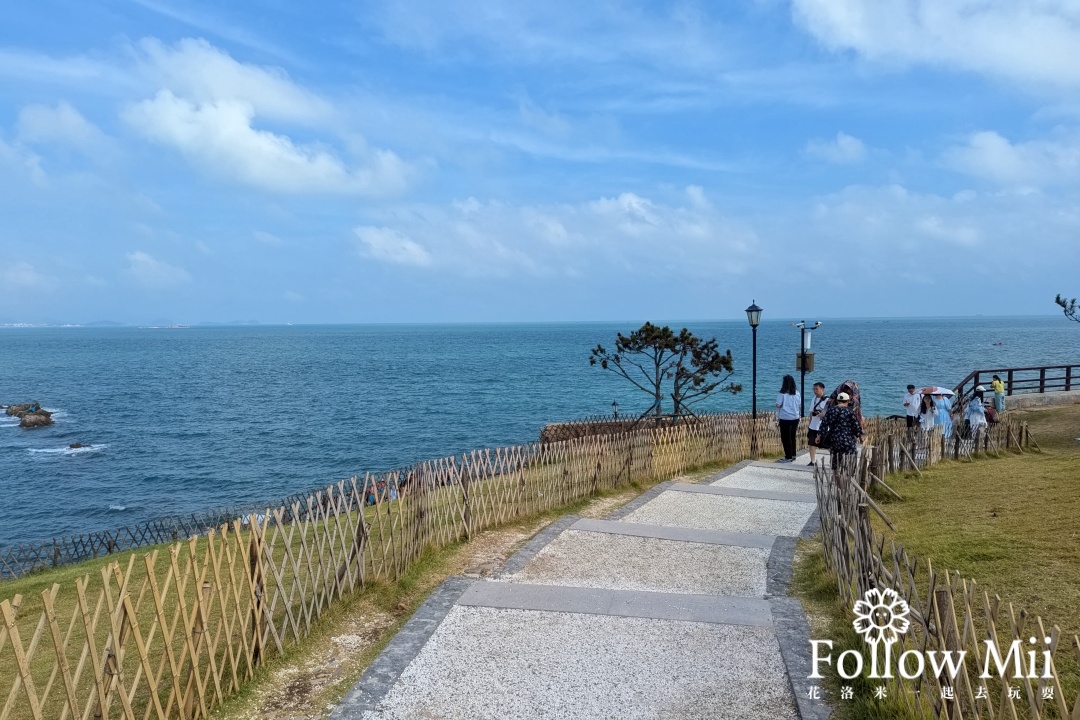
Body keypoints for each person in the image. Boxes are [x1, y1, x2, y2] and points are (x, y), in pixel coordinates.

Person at [821, 392, 862, 471]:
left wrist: (819, 436)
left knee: (835, 462)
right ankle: (848, 476)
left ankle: (837, 480)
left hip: (834, 440)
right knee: (851, 457)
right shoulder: (850, 412)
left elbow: (824, 424)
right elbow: (856, 426)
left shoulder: (831, 410)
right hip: (847, 439)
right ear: (847, 401)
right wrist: (860, 436)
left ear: (837, 401)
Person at [775, 374, 801, 463]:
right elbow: (799, 404)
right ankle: (793, 454)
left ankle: (788, 456)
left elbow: (778, 405)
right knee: (792, 437)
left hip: (785, 418)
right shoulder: (797, 392)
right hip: (795, 417)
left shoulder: (782, 393)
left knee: (786, 438)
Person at [807, 382, 829, 465]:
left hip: (823, 427)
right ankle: (813, 461)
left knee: (827, 444)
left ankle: (834, 460)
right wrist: (809, 425)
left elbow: (830, 414)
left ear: (822, 389)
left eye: (817, 389)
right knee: (811, 444)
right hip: (813, 425)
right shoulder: (814, 399)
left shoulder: (828, 400)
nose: (815, 391)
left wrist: (822, 415)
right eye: (814, 389)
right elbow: (811, 412)